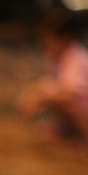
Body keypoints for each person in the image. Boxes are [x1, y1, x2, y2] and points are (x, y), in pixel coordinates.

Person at [18, 9, 88, 143]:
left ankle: (82, 136)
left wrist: (41, 95)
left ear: (66, 37)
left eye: (49, 38)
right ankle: (68, 131)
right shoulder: (58, 57)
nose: (44, 43)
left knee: (64, 101)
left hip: (83, 112)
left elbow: (71, 94)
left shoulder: (75, 57)